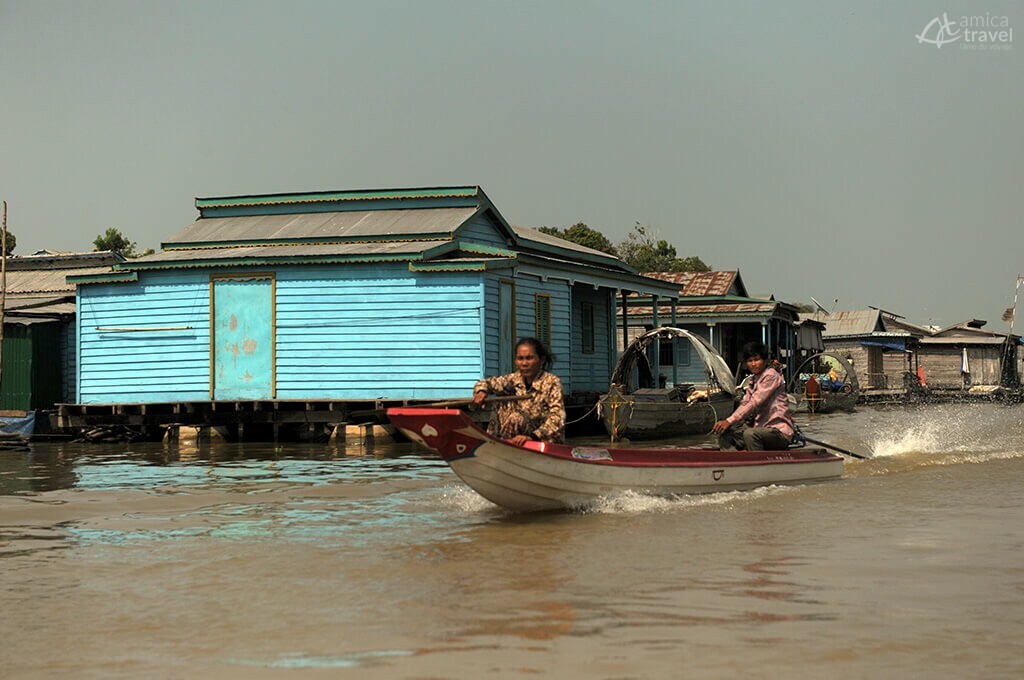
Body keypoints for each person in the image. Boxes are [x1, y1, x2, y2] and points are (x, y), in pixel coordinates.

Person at [472, 337, 566, 446]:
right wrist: (481, 392)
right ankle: (496, 443)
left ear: (541, 360)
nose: (524, 363)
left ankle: (504, 446)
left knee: (516, 417)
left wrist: (532, 436)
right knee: (500, 401)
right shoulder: (514, 379)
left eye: (529, 358)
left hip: (540, 440)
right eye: (520, 359)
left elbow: (558, 417)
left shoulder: (552, 382)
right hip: (512, 436)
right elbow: (486, 383)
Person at [711, 341, 794, 451]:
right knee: (726, 434)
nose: (753, 364)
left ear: (765, 361)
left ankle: (757, 460)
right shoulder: (753, 380)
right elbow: (745, 403)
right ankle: (733, 460)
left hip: (778, 432)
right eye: (750, 361)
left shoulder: (771, 376)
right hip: (760, 429)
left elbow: (754, 402)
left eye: (757, 360)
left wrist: (729, 421)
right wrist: (728, 422)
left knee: (750, 434)